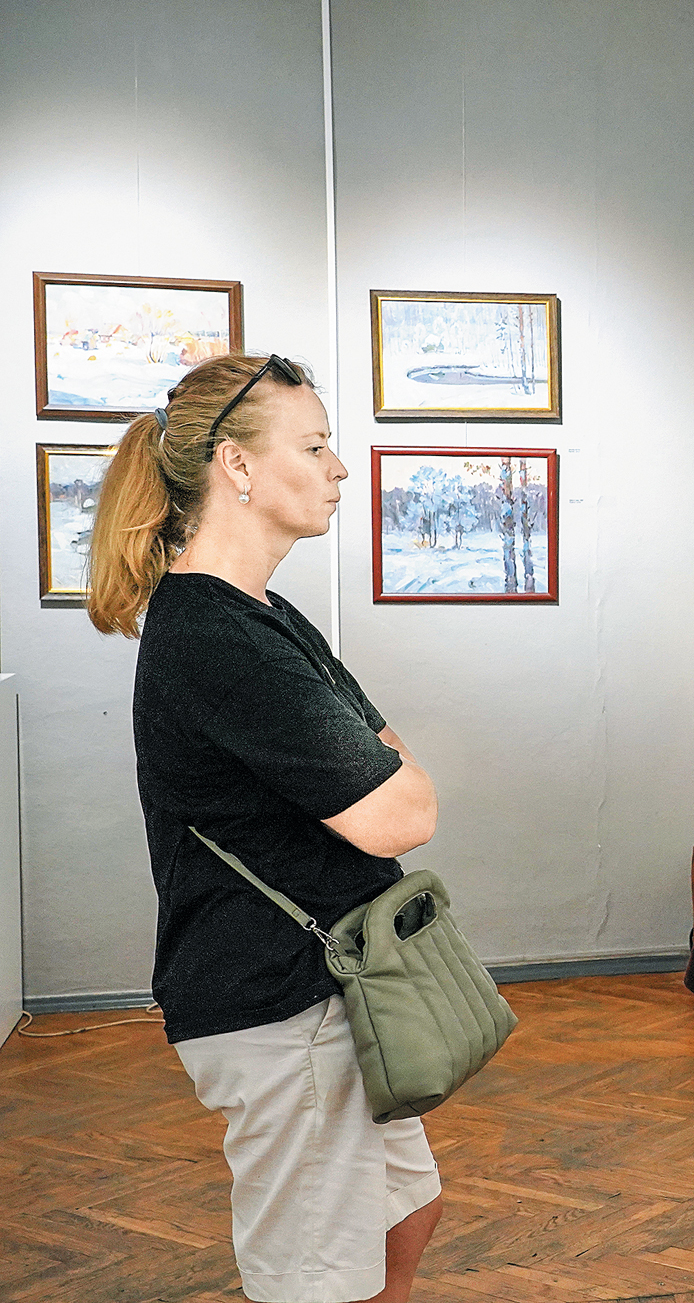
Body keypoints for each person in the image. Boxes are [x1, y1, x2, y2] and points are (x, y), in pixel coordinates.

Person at [88, 354, 445, 1303]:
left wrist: (385, 770)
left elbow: (386, 763)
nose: (339, 467)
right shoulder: (214, 636)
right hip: (281, 1006)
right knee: (315, 1277)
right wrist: (387, 774)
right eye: (315, 445)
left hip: (335, 989)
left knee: (406, 1212)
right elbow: (404, 809)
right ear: (237, 466)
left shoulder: (262, 614)